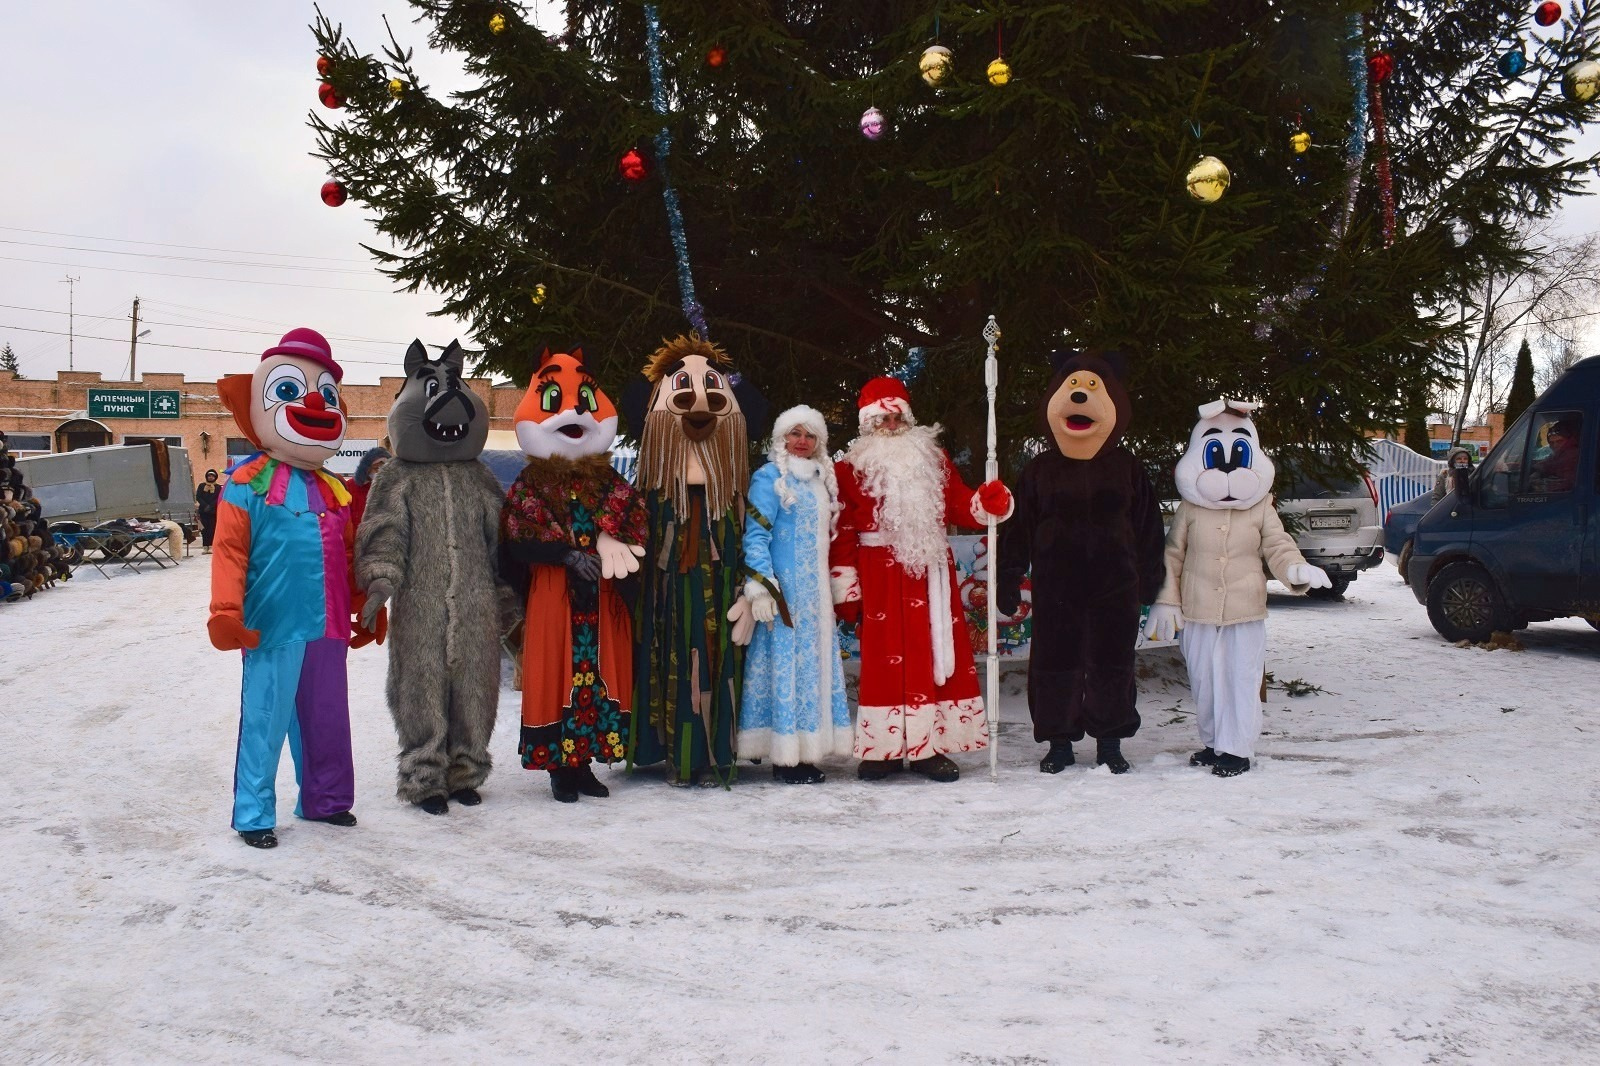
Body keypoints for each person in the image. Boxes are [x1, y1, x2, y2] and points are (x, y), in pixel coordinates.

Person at [209, 328, 383, 848]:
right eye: (289, 391)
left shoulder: (335, 491)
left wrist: (364, 606)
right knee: (265, 717)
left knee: (326, 718)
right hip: (271, 625)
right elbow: (231, 553)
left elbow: (348, 556)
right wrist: (224, 610)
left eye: (326, 394)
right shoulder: (246, 485)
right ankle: (255, 812)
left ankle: (326, 800)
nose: (313, 403)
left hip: (327, 626)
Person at [830, 376, 1013, 783]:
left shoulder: (933, 460)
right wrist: (847, 591)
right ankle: (884, 751)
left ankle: (931, 749)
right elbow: (841, 533)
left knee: (933, 660)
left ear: (908, 418)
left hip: (930, 573)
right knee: (882, 662)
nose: (891, 425)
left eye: (897, 417)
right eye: (882, 419)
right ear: (867, 424)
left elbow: (961, 504)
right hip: (877, 577)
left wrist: (987, 503)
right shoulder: (848, 469)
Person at [499, 347, 647, 804]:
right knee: (558, 673)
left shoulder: (611, 483)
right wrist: (563, 553)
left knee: (597, 672)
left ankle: (586, 762)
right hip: (556, 594)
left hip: (602, 595)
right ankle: (561, 768)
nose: (575, 409)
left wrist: (611, 539)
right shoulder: (533, 481)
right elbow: (517, 533)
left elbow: (635, 520)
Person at [624, 334, 764, 787]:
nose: (699, 408)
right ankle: (678, 756)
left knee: (721, 667)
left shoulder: (739, 499)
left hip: (724, 598)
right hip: (667, 603)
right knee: (675, 664)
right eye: (682, 393)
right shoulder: (651, 496)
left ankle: (721, 755)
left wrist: (754, 590)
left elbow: (758, 544)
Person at [739, 405, 853, 784]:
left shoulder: (820, 480)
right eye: (795, 433)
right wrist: (762, 587)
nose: (801, 442)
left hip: (816, 598)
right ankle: (785, 758)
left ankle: (808, 751)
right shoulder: (769, 477)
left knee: (811, 672)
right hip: (784, 596)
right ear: (781, 438)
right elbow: (756, 536)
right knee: (785, 670)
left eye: (809, 436)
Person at [1532, 418, 1581, 492]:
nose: (1555, 445)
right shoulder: (1559, 454)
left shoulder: (1572, 455)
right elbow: (1547, 464)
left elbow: (1569, 483)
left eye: (1559, 441)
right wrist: (1536, 471)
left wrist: (1546, 486)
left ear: (1569, 440)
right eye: (1552, 442)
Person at [195, 469, 221, 553]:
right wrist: (205, 505)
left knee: (212, 529)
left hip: (213, 512)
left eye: (212, 476)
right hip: (203, 511)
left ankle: (211, 546)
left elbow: (218, 498)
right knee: (204, 529)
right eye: (209, 476)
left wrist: (210, 506)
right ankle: (205, 546)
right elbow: (198, 497)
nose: (210, 477)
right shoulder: (202, 486)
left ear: (215, 477)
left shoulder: (218, 487)